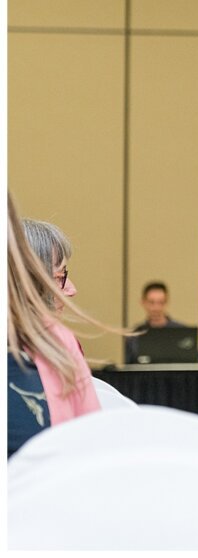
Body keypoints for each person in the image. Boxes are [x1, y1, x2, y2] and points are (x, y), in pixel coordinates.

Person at [8, 194, 100, 456]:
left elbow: (89, 441)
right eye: (60, 277)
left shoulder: (62, 341)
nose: (71, 290)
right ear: (28, 280)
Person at [124, 281, 192, 364]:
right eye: (151, 302)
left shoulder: (183, 333)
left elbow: (195, 364)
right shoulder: (134, 336)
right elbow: (128, 369)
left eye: (161, 302)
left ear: (167, 302)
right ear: (143, 302)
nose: (156, 308)